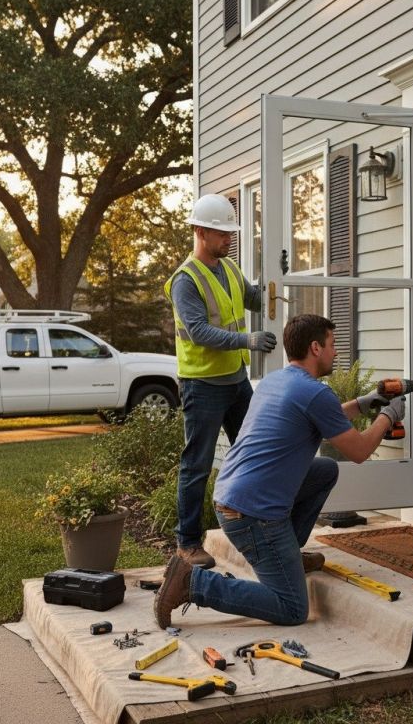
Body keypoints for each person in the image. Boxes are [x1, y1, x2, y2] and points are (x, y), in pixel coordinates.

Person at [153, 313, 406, 629]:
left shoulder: (277, 381)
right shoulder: (315, 393)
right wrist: (388, 416)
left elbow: (321, 416)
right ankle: (193, 583)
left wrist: (362, 403)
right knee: (292, 608)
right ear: (315, 348)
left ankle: (288, 555)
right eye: (332, 344)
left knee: (324, 470)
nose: (336, 352)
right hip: (252, 515)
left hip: (232, 497)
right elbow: (359, 451)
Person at [165, 194, 277, 570]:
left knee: (255, 454)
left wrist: (277, 281)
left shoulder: (228, 268)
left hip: (236, 381)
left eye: (231, 233)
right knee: (197, 465)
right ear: (200, 231)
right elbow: (199, 331)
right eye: (222, 233)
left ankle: (260, 535)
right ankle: (187, 543)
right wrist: (248, 340)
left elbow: (255, 299)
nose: (229, 239)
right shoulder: (185, 280)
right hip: (202, 385)